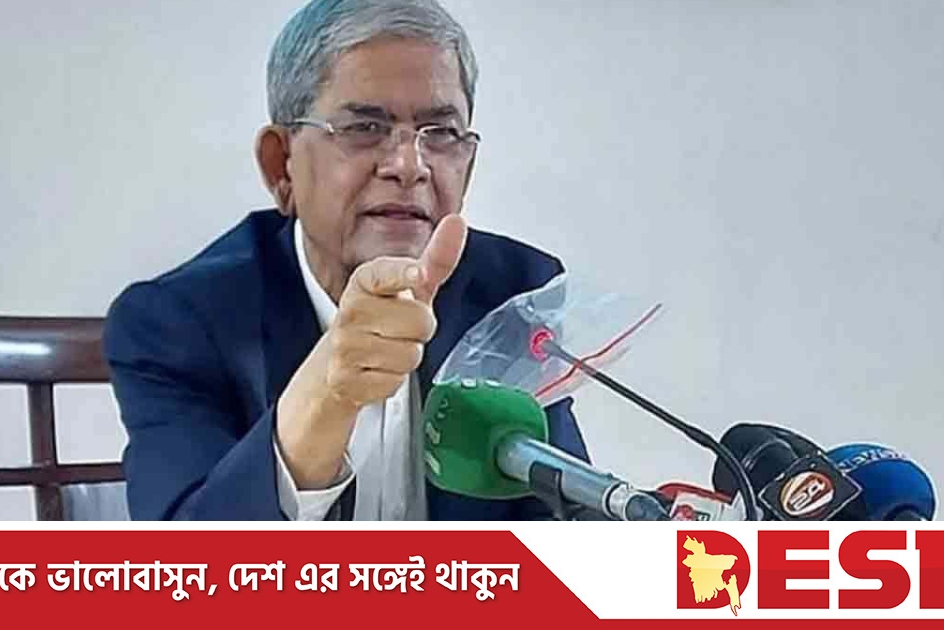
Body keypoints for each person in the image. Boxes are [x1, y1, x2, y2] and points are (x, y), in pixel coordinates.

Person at [102, 0, 590, 521]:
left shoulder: (515, 292)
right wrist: (328, 390)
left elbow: (563, 524)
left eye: (442, 134)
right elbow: (186, 560)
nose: (409, 166)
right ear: (281, 166)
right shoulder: (179, 321)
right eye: (365, 128)